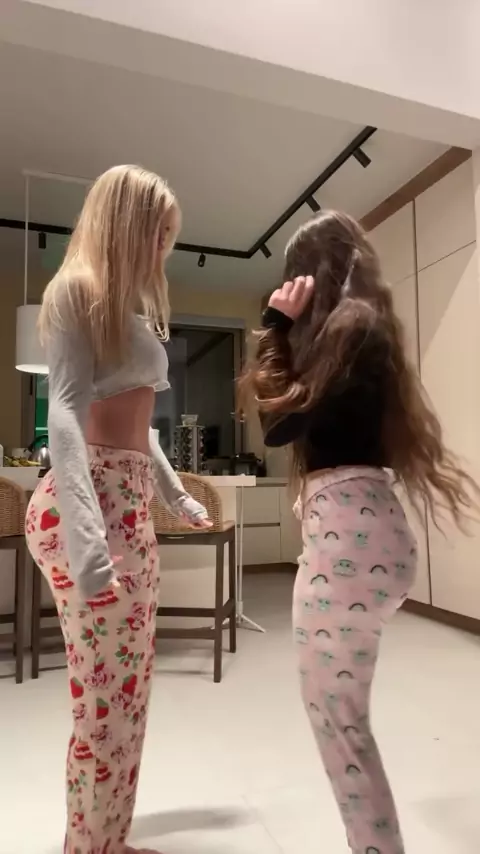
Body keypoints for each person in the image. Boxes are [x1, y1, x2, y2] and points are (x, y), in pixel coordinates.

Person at [240, 210, 479, 854]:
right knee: (343, 718)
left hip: (347, 542)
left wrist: (274, 327)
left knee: (339, 725)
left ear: (310, 275)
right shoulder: (365, 331)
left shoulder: (350, 328)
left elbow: (277, 425)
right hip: (368, 533)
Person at [25, 165, 211, 854]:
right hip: (92, 505)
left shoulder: (128, 309)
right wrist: (87, 542)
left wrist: (174, 493)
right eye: (158, 232)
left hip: (124, 504)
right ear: (127, 223)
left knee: (127, 692)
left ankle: (108, 839)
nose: (164, 247)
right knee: (104, 700)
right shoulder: (75, 290)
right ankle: (89, 847)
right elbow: (65, 413)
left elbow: (141, 427)